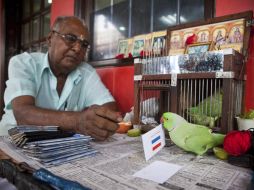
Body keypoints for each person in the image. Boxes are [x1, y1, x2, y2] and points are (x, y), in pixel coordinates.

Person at [0, 16, 123, 140]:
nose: (77, 48)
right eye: (70, 38)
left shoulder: (86, 72)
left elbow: (109, 108)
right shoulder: (24, 63)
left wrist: (97, 119)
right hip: (12, 143)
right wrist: (77, 121)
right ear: (50, 39)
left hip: (57, 146)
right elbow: (23, 115)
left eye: (84, 44)